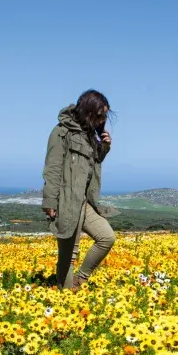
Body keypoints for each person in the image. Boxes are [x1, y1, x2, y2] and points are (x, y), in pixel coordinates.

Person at [41, 89, 118, 289]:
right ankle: (65, 291)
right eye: (100, 114)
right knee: (68, 256)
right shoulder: (61, 132)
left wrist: (104, 147)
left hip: (85, 202)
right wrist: (50, 201)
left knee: (106, 237)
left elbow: (92, 164)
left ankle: (80, 279)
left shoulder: (89, 135)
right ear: (88, 110)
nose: (102, 119)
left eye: (104, 116)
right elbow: (53, 168)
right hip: (66, 201)